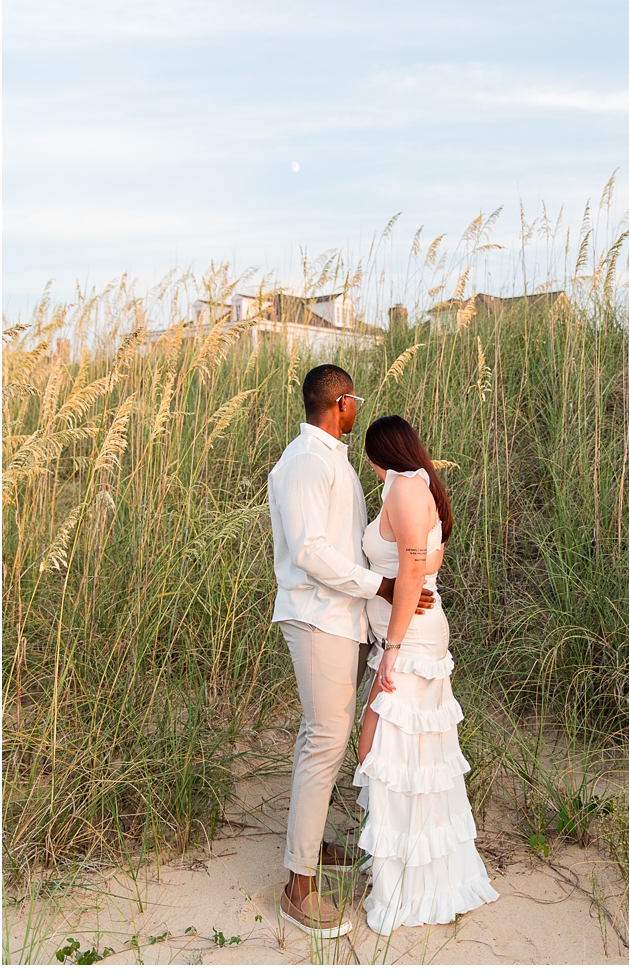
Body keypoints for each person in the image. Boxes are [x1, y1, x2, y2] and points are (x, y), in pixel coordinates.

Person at [266, 363, 432, 938]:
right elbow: (312, 553)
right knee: (325, 740)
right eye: (354, 399)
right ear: (341, 404)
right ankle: (298, 886)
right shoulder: (308, 463)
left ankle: (307, 849)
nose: (358, 407)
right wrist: (381, 588)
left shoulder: (329, 460)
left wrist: (393, 598)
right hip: (318, 620)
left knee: (323, 738)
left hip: (341, 619)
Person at [352, 415, 498, 934]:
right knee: (400, 753)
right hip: (410, 633)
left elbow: (414, 567)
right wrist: (410, 580)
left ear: (379, 454)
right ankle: (407, 871)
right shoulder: (416, 486)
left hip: (408, 640)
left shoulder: (405, 489)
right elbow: (423, 558)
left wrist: (390, 648)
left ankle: (412, 883)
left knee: (387, 751)